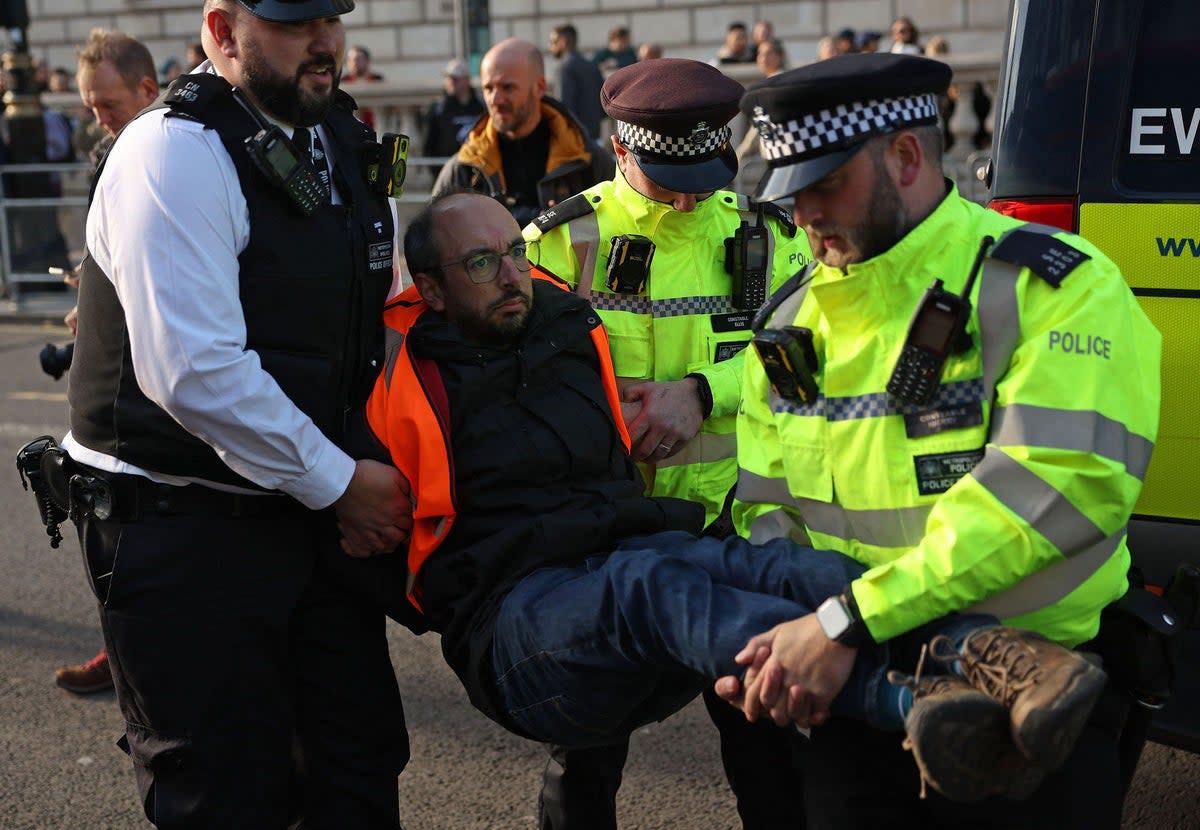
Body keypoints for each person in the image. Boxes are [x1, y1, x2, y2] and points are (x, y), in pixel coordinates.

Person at [363, 188, 1111, 811]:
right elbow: (358, 517)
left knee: (759, 564)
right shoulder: (402, 375)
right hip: (513, 622)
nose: (512, 276)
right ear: (430, 287)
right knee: (649, 587)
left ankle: (993, 651)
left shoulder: (565, 327)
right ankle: (917, 708)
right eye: (483, 263)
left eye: (516, 254)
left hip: (614, 552)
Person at [721, 51, 1161, 828]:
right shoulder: (788, 326)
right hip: (851, 698)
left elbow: (1055, 494)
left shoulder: (1056, 288)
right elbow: (766, 516)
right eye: (792, 193)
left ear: (906, 155)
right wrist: (784, 644)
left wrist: (848, 620)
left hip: (1025, 706)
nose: (806, 215)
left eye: (827, 183)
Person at [61, 0, 412, 826]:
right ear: (222, 32)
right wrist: (341, 483)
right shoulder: (173, 150)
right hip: (184, 531)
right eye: (295, 23)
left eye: (331, 16)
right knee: (223, 792)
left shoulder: (337, 138)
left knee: (356, 769)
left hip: (311, 519)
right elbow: (195, 371)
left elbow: (374, 315)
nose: (323, 40)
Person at [522, 58, 813, 830]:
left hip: (733, 530)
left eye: (703, 173)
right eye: (665, 178)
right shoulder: (560, 243)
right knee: (583, 753)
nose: (689, 196)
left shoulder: (770, 236)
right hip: (605, 540)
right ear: (620, 148)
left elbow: (813, 355)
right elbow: (509, 383)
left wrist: (703, 393)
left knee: (769, 753)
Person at [50, 29, 161, 697]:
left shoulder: (184, 158)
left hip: (155, 386)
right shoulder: (106, 154)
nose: (100, 119)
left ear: (148, 91)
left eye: (109, 104)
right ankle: (119, 651)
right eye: (90, 107)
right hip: (109, 377)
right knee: (109, 528)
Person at [433, 37, 614, 227]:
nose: (495, 99)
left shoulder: (587, 160)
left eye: (507, 87)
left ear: (540, 87)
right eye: (488, 88)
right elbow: (436, 244)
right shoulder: (464, 167)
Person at [549, 23, 605, 142]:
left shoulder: (564, 67)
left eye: (553, 42)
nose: (551, 47)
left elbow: (563, 106)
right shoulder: (592, 66)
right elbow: (604, 104)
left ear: (563, 42)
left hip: (575, 141)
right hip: (595, 137)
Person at [422, 58, 485, 159]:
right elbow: (429, 144)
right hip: (447, 167)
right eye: (448, 78)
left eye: (455, 79)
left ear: (467, 80)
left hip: (477, 165)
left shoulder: (482, 105)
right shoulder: (438, 109)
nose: (451, 82)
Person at [342, 44, 384, 129]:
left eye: (357, 59)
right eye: (350, 60)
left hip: (374, 126)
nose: (353, 63)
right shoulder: (344, 82)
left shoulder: (377, 80)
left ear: (367, 61)